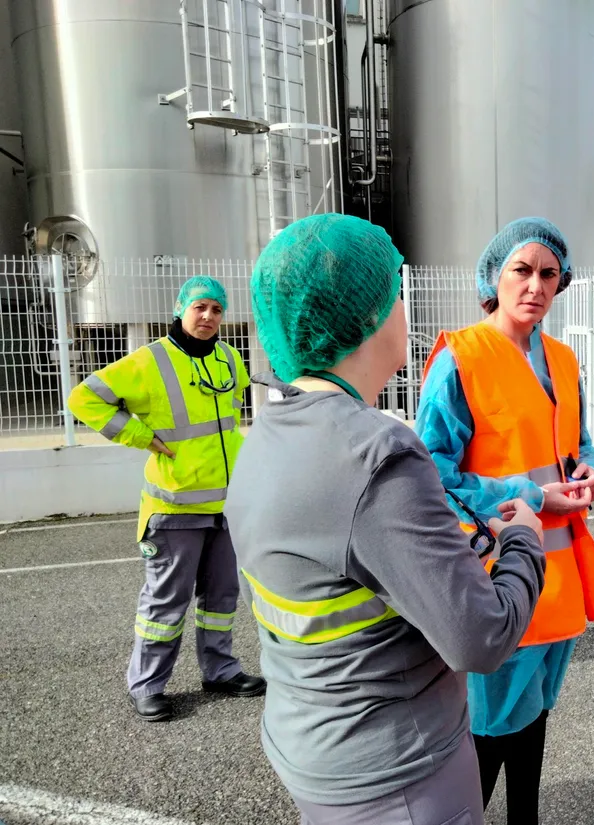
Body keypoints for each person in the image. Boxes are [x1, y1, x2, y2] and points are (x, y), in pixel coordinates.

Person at [224, 213, 547, 825]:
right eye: (396, 295)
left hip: (313, 748)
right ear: (368, 318)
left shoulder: (269, 434)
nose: (404, 309)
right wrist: (524, 542)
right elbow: (480, 637)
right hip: (396, 773)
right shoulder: (376, 458)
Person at [416, 216, 594, 823]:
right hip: (496, 569)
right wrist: (534, 499)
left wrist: (589, 473)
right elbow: (433, 471)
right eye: (522, 270)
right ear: (495, 276)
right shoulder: (461, 358)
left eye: (548, 274)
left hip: (557, 573)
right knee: (487, 728)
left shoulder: (561, 358)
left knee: (533, 713)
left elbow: (576, 444)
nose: (535, 285)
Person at [67, 275, 265, 722]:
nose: (209, 317)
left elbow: (226, 427)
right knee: (165, 603)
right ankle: (148, 685)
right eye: (200, 308)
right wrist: (140, 435)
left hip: (225, 507)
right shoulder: (150, 360)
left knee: (221, 598)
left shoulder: (230, 357)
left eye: (216, 309)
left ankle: (221, 670)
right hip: (175, 508)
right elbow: (84, 399)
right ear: (181, 310)